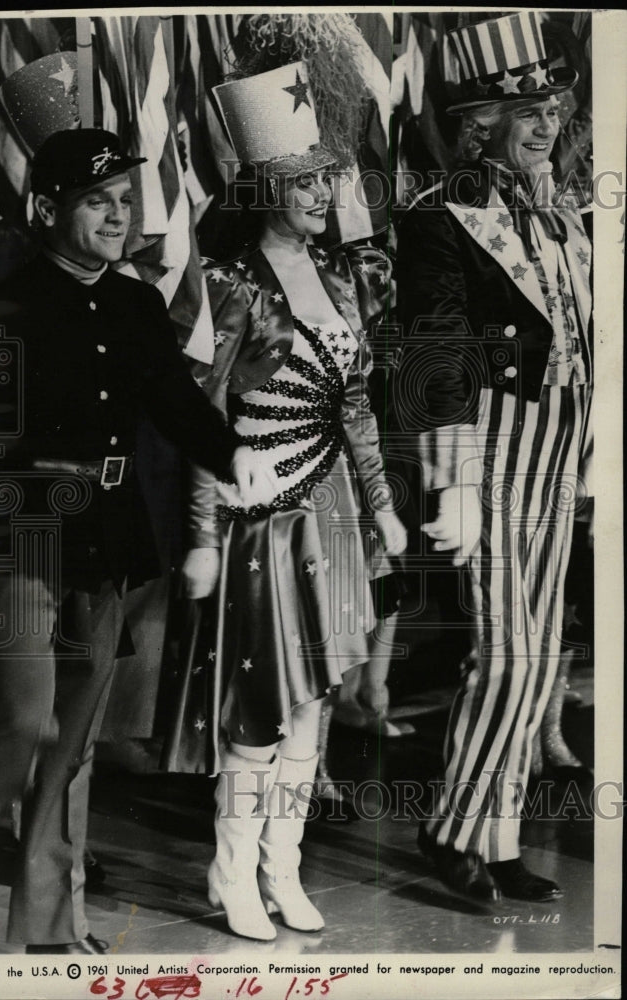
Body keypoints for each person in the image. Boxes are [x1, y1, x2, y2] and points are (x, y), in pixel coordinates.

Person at [0, 127, 269, 954]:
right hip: (25, 528)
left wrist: (233, 450)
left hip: (109, 534)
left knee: (70, 742)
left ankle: (50, 926)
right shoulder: (4, 296)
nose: (116, 216)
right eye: (96, 201)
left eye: (123, 201)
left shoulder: (137, 303)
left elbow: (175, 402)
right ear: (49, 208)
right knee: (20, 723)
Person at [180, 62, 407, 940]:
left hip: (336, 509)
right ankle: (230, 871)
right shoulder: (228, 284)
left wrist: (382, 503)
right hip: (263, 516)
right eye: (305, 180)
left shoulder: (344, 276)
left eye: (328, 177)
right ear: (266, 185)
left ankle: (284, 868)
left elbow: (350, 400)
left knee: (318, 699)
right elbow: (203, 416)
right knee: (262, 704)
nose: (323, 194)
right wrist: (202, 534)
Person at [396, 11, 592, 904]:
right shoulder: (443, 216)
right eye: (524, 111)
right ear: (480, 123)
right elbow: (433, 345)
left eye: (550, 106)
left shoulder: (563, 214)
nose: (545, 123)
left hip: (564, 438)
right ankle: (450, 828)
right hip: (496, 441)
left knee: (544, 654)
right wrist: (455, 475)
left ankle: (498, 834)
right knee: (505, 653)